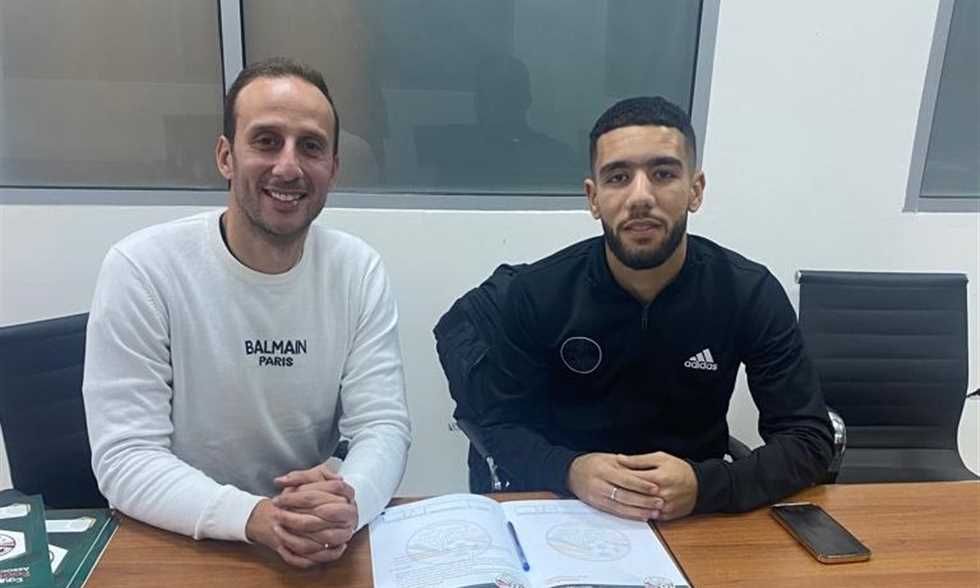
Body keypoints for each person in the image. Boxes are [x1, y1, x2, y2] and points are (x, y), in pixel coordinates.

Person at [82, 57, 411, 567]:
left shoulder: (357, 270)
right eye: (266, 141)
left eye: (311, 146)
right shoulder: (142, 268)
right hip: (183, 540)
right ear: (226, 156)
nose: (288, 167)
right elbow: (126, 457)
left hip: (314, 548)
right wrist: (258, 517)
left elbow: (382, 426)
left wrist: (349, 503)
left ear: (333, 168)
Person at [478, 96, 833, 521]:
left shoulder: (747, 291)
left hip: (696, 517)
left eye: (663, 174)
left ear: (695, 190)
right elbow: (499, 426)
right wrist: (570, 470)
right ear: (593, 198)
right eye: (618, 177)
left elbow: (809, 439)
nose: (640, 196)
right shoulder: (538, 293)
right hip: (571, 513)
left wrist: (706, 485)